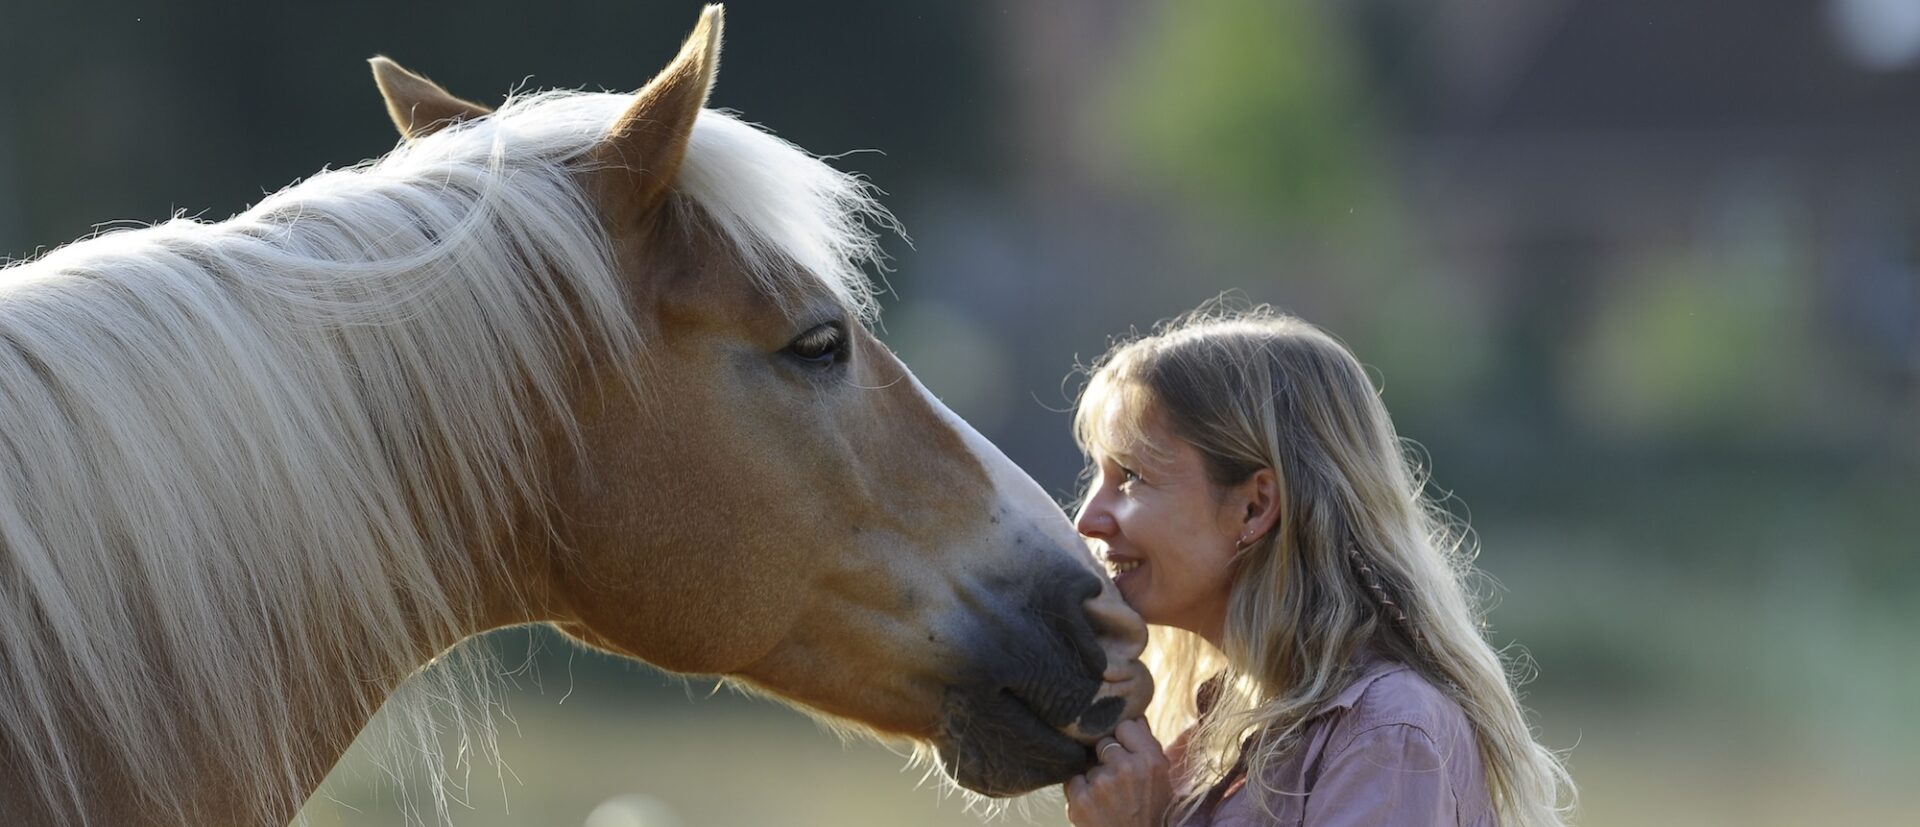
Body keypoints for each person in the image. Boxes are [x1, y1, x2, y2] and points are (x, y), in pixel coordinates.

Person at [1062, 305, 1574, 826]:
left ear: (1255, 506)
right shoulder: (1207, 745)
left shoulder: (1387, 734)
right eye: (1098, 476)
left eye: (1131, 476)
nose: (1087, 519)